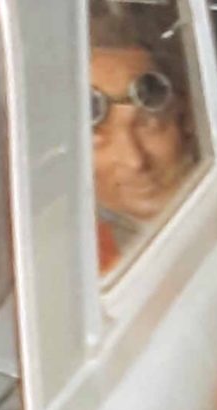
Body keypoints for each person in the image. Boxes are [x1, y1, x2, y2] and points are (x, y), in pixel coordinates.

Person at [89, 14, 195, 273]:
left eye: (150, 123)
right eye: (98, 137)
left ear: (186, 117)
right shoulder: (62, 255)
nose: (135, 160)